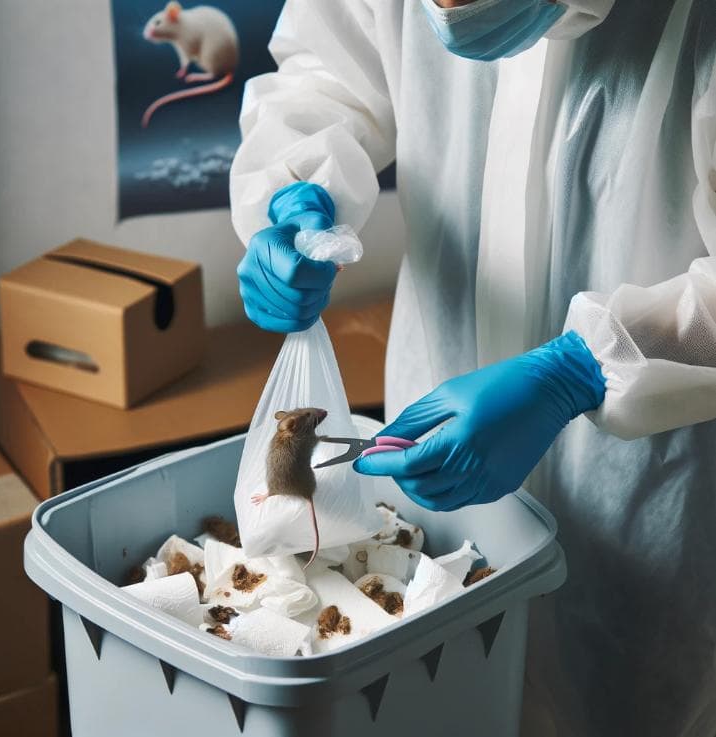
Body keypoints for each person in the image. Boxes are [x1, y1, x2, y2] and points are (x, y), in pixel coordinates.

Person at [230, 1, 716, 734]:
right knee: (442, 680)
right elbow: (329, 67)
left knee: (626, 702)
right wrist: (296, 184)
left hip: (651, 488)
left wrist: (586, 367)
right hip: (440, 381)